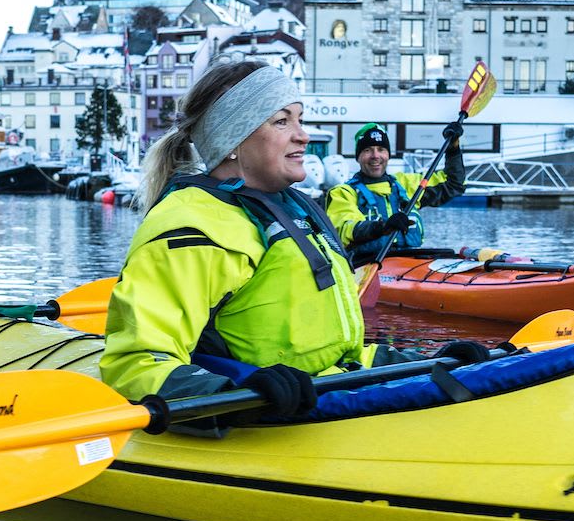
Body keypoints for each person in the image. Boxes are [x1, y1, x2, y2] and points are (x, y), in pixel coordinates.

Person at [101, 61, 486, 418]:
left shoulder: (296, 209)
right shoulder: (193, 223)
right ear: (232, 139)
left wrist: (428, 362)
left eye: (300, 119)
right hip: (269, 416)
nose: (303, 135)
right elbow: (136, 363)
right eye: (282, 121)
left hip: (329, 398)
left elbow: (337, 355)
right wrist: (235, 394)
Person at [324, 121, 468, 267]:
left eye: (381, 149)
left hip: (408, 265)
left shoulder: (405, 184)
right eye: (367, 150)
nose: (375, 156)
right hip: (365, 265)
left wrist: (453, 149)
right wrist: (382, 227)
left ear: (388, 154)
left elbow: (454, 184)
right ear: (358, 157)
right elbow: (345, 228)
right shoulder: (343, 193)